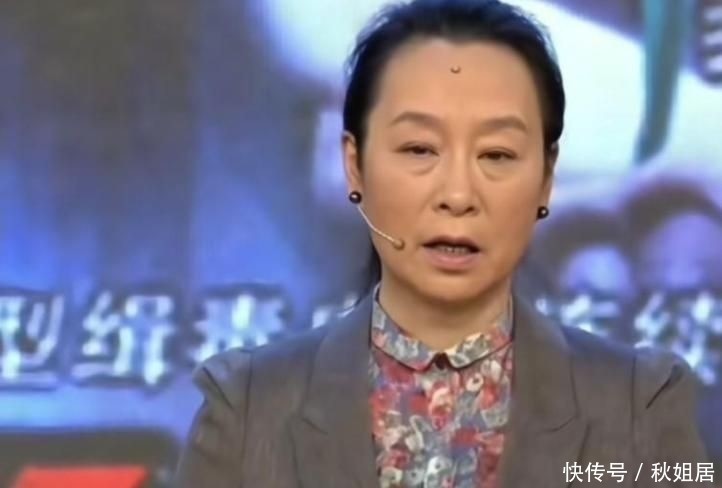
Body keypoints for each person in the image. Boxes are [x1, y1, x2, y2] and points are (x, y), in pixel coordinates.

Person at [175, 0, 713, 486]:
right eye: (420, 151)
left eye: (496, 156)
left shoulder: (639, 405)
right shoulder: (249, 412)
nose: (457, 195)